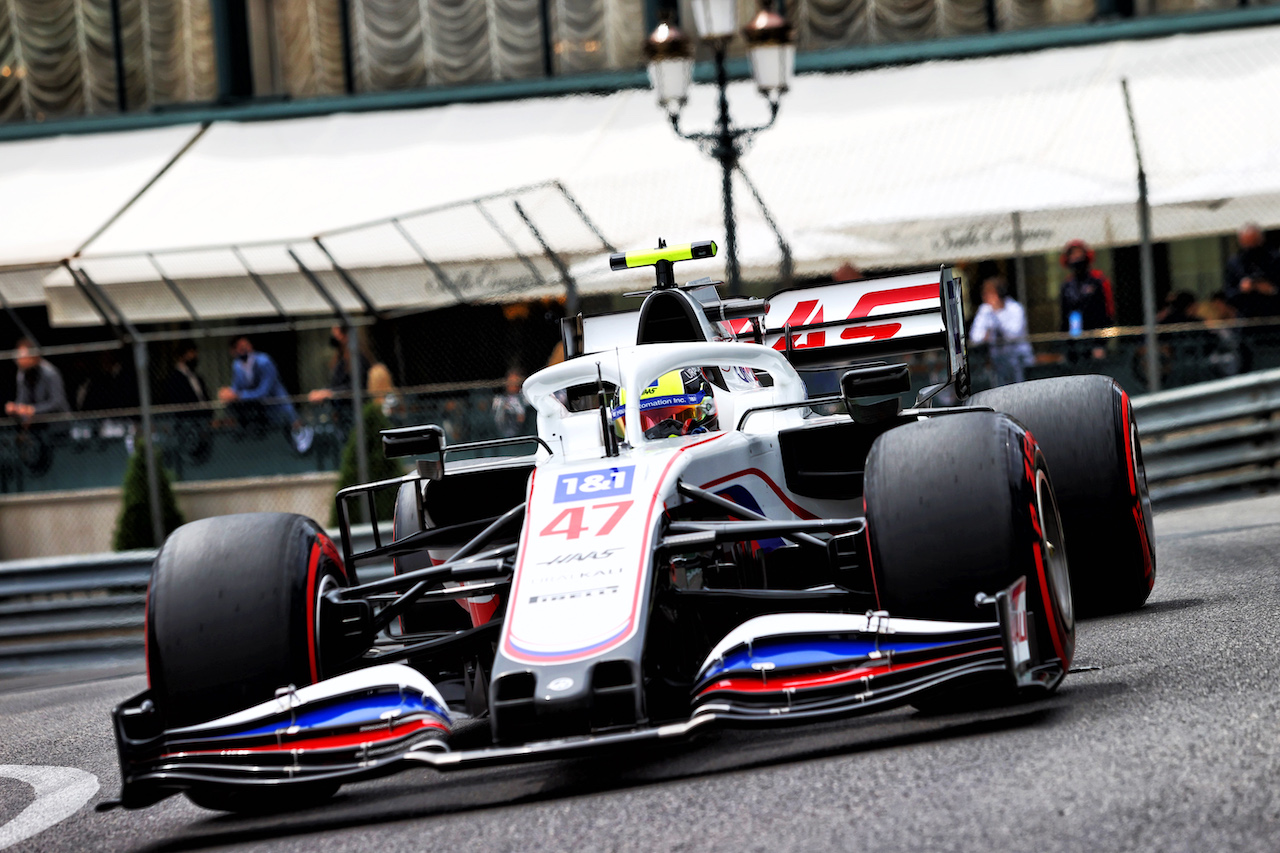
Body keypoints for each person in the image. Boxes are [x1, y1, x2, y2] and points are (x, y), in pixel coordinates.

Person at [218, 336, 311, 451]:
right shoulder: (236, 366)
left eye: (247, 346)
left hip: (279, 407)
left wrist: (238, 395)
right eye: (241, 348)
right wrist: (229, 393)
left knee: (293, 441)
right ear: (233, 351)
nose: (246, 349)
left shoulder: (264, 361)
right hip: (260, 412)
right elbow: (237, 387)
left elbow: (263, 392)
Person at [968, 276, 1033, 385]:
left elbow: (1013, 334)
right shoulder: (985, 310)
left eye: (990, 294)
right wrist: (984, 335)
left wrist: (997, 317)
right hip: (997, 360)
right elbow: (974, 336)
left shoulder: (1015, 308)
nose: (986, 298)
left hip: (1017, 357)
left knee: (1019, 387)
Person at [1059, 240, 1115, 359]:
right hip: (1075, 336)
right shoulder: (1067, 285)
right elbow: (1064, 314)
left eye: (1078, 254)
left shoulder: (1098, 280)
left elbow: (1108, 311)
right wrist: (1066, 342)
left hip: (1096, 336)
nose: (1076, 258)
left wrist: (1101, 341)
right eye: (1072, 255)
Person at [5, 339, 69, 424]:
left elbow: (57, 402)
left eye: (22, 356)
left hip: (57, 422)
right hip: (37, 424)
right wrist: (16, 408)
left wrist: (33, 409)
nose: (18, 359)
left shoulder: (50, 373)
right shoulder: (22, 374)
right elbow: (23, 399)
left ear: (32, 357)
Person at [1223, 224, 1280, 319]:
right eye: (1247, 244)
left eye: (1255, 243)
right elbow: (1228, 294)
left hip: (1273, 316)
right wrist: (1241, 289)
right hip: (1247, 318)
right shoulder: (1235, 263)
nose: (1251, 249)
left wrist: (1271, 290)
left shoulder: (1275, 260)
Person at [161, 340, 210, 407]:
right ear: (182, 356)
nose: (195, 356)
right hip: (188, 415)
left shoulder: (197, 377)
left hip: (203, 415)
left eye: (195, 352)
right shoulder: (174, 379)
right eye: (191, 352)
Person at [492, 369, 528, 438]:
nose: (513, 384)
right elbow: (497, 416)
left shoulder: (525, 397)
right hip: (504, 427)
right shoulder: (499, 399)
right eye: (511, 381)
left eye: (516, 381)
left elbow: (522, 416)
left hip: (522, 430)